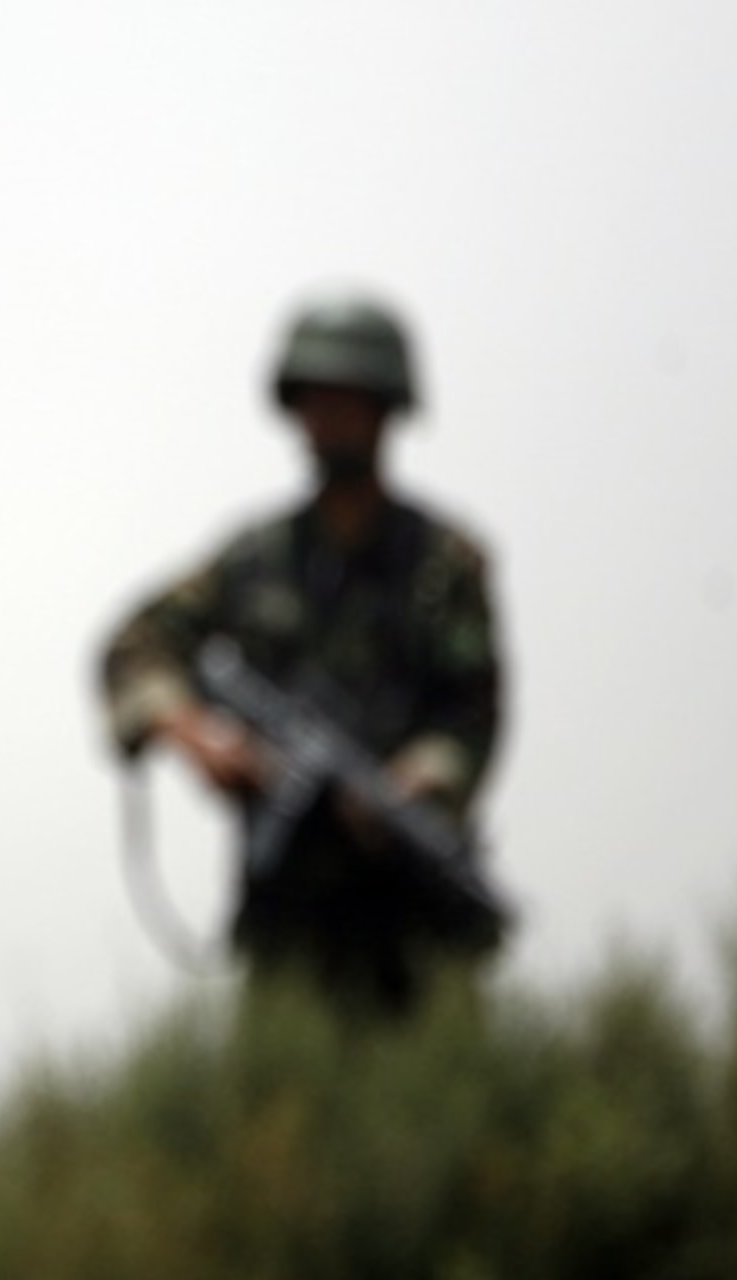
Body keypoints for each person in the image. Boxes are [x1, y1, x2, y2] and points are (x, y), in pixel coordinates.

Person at [98, 292, 507, 1017]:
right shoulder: (254, 560)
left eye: (350, 400)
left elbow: (474, 713)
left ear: (388, 409)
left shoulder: (445, 566)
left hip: (409, 913)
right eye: (317, 400)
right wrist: (195, 735)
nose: (331, 419)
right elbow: (134, 646)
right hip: (285, 921)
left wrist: (422, 779)